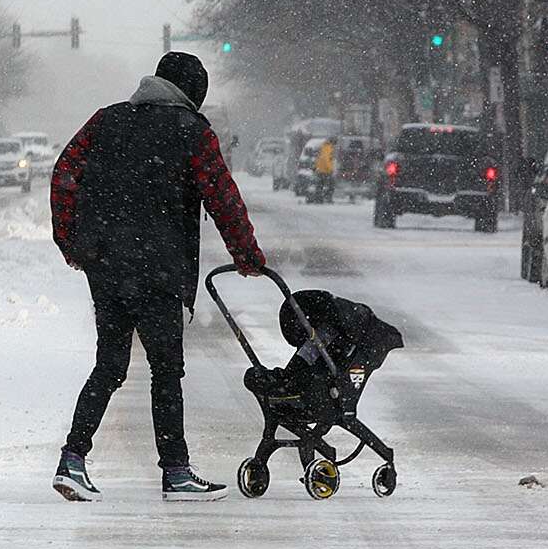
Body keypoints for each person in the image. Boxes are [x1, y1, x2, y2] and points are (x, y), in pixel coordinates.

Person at [49, 52, 267, 501]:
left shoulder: (106, 120)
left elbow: (64, 174)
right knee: (166, 371)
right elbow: (222, 195)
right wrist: (246, 254)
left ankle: (72, 460)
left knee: (109, 365)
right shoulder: (192, 131)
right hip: (159, 267)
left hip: (105, 264)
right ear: (193, 95)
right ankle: (176, 472)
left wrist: (71, 241)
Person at [314, 135, 337, 201]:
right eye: (335, 143)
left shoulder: (324, 146)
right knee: (331, 184)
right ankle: (327, 197)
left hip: (321, 169)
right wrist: (330, 169)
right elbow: (326, 159)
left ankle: (319, 197)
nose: (335, 146)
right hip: (325, 170)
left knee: (320, 185)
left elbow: (319, 158)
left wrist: (316, 167)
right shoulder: (328, 147)